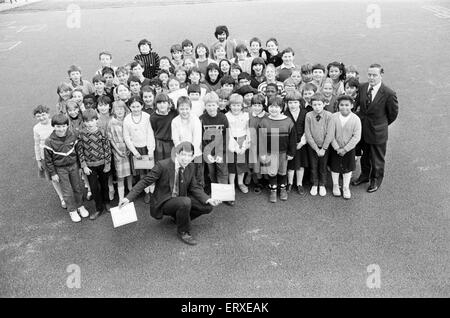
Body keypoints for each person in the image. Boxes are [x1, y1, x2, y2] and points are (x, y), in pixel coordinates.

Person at [119, 142, 221, 245]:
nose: (186, 159)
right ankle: (183, 231)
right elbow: (145, 181)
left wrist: (209, 199)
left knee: (207, 206)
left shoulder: (190, 166)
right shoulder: (162, 165)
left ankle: (179, 218)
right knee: (186, 202)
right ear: (177, 154)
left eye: (189, 155)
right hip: (165, 201)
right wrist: (128, 198)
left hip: (181, 199)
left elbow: (195, 187)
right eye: (183, 155)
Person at [351, 63, 398, 192]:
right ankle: (364, 176)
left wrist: (381, 125)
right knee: (365, 156)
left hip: (378, 132)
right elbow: (357, 105)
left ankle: (375, 180)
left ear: (381, 75)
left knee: (377, 158)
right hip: (363, 129)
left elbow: (392, 114)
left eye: (374, 75)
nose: (371, 77)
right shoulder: (363, 87)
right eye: (369, 75)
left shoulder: (389, 93)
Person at [44, 114, 89, 222]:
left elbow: (78, 151)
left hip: (73, 166)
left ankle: (80, 206)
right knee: (67, 191)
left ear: (67, 126)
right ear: (53, 126)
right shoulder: (49, 141)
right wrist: (53, 173)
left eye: (64, 126)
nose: (61, 129)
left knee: (77, 187)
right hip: (60, 169)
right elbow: (48, 160)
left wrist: (79, 166)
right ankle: (72, 210)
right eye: (58, 126)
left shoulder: (73, 135)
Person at [258, 96, 296, 203]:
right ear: (267, 108)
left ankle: (282, 189)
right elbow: (261, 139)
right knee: (272, 172)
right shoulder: (264, 122)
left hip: (283, 152)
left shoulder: (288, 121)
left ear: (282, 108)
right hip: (270, 152)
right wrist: (262, 153)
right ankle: (273, 190)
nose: (273, 109)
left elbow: (293, 139)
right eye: (271, 106)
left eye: (276, 107)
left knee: (282, 171)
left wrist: (291, 152)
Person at [76, 109, 112, 220]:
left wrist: (107, 164)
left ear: (97, 120)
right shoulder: (81, 134)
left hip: (102, 164)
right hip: (90, 167)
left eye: (92, 120)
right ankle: (98, 208)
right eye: (87, 121)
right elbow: (80, 151)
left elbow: (107, 148)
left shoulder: (101, 131)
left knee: (105, 185)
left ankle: (107, 202)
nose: (89, 123)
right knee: (94, 187)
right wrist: (84, 166)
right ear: (84, 122)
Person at [328, 95, 361, 199]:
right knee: (335, 167)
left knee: (347, 168)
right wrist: (337, 148)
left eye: (347, 105)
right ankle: (335, 185)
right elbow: (330, 134)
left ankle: (346, 187)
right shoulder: (333, 117)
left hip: (349, 149)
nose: (344, 107)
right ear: (338, 105)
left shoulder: (355, 119)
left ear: (352, 105)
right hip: (335, 149)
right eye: (341, 105)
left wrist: (345, 149)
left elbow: (356, 137)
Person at [123, 96, 155, 204]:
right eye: (133, 106)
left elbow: (150, 134)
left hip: (147, 147)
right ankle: (146, 192)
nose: (136, 109)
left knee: (151, 172)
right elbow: (126, 137)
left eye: (138, 106)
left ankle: (153, 192)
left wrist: (150, 150)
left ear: (142, 105)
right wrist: (135, 152)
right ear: (129, 107)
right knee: (142, 173)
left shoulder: (147, 116)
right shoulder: (127, 119)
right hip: (137, 150)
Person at [33, 105, 65, 209]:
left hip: (59, 154)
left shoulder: (54, 123)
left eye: (43, 115)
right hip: (45, 157)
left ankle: (68, 192)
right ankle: (61, 197)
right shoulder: (36, 128)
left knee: (63, 175)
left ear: (48, 114)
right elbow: (37, 144)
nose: (41, 118)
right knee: (54, 178)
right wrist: (38, 160)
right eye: (38, 116)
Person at [305, 92, 334, 197]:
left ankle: (322, 184)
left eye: (319, 104)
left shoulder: (329, 116)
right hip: (313, 147)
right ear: (311, 105)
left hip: (325, 147)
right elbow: (308, 134)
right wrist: (316, 149)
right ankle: (315, 183)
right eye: (314, 105)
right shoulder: (309, 115)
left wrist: (324, 148)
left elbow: (330, 133)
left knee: (323, 166)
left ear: (324, 104)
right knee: (313, 166)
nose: (317, 107)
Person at [171, 96, 204, 187]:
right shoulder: (175, 121)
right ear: (178, 109)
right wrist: (182, 154)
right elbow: (176, 139)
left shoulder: (195, 119)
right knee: (183, 177)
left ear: (190, 108)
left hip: (195, 153)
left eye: (187, 108)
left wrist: (191, 155)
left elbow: (197, 138)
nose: (184, 111)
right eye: (182, 109)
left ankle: (199, 193)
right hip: (181, 153)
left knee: (197, 176)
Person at [200, 92, 229, 187]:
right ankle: (215, 191)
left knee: (222, 171)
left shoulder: (223, 117)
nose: (211, 108)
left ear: (217, 105)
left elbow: (226, 136)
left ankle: (223, 193)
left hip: (221, 150)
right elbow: (200, 138)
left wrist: (222, 152)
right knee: (211, 172)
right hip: (208, 151)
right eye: (209, 105)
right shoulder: (202, 119)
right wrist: (206, 153)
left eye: (213, 105)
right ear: (205, 106)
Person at [284, 91, 309, 196]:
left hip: (301, 142)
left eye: (295, 102)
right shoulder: (285, 114)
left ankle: (299, 183)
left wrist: (302, 142)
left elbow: (307, 130)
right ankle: (289, 183)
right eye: (290, 103)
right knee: (291, 165)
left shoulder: (305, 113)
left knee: (300, 165)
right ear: (287, 103)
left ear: (299, 102)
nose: (292, 105)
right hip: (290, 143)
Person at [107, 101, 133, 202]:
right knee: (120, 175)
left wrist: (130, 149)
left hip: (129, 149)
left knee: (130, 172)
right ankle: (121, 198)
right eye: (117, 109)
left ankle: (131, 192)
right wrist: (117, 151)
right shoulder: (111, 122)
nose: (119, 111)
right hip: (118, 151)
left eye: (121, 108)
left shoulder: (128, 120)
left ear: (125, 109)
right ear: (114, 110)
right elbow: (110, 139)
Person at [226, 93, 251, 197]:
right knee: (231, 165)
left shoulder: (245, 115)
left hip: (243, 140)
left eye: (238, 105)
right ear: (230, 106)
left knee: (241, 165)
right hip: (232, 141)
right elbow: (228, 132)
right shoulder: (226, 116)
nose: (236, 108)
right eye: (233, 105)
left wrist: (244, 146)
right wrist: (235, 147)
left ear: (242, 106)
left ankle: (240, 183)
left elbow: (248, 130)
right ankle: (231, 185)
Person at [247, 93, 268, 194]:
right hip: (253, 144)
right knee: (256, 164)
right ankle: (258, 182)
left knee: (265, 162)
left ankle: (266, 180)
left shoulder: (268, 116)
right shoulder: (249, 116)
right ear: (251, 106)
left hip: (265, 144)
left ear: (263, 105)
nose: (257, 107)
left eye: (259, 105)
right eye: (254, 105)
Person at [150, 93, 178, 162]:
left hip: (172, 143)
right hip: (159, 144)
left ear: (169, 104)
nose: (162, 105)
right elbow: (154, 130)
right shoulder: (153, 117)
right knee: (161, 164)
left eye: (164, 102)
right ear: (156, 104)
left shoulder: (174, 113)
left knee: (172, 163)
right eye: (159, 103)